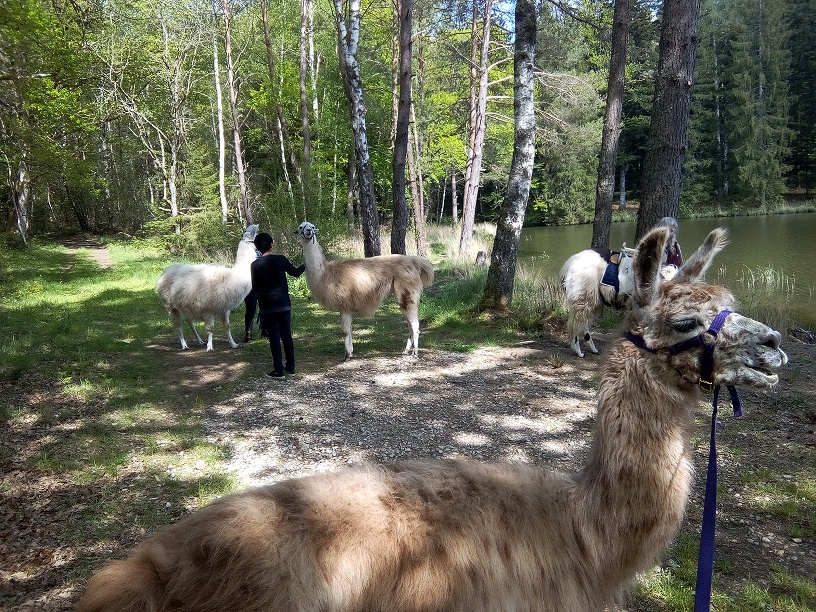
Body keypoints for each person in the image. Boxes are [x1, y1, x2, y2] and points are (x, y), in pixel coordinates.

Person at [250, 232, 306, 379]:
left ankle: (279, 370)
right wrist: (305, 264)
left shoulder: (255, 265)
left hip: (267, 307)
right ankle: (291, 367)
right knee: (286, 335)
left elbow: (255, 288)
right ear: (271, 245)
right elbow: (295, 273)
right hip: (284, 304)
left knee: (274, 337)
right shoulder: (281, 259)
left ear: (257, 248)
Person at [244, 246, 264, 342]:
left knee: (250, 310)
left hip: (249, 285)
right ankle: (264, 330)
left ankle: (248, 332)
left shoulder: (244, 255)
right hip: (260, 284)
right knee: (263, 308)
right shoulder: (262, 253)